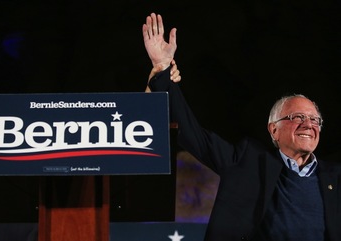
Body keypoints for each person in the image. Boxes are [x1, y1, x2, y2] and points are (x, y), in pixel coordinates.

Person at [142, 12, 341, 241]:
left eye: (315, 120)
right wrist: (162, 71)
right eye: (297, 117)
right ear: (273, 129)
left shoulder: (334, 177)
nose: (308, 124)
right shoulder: (247, 162)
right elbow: (191, 133)